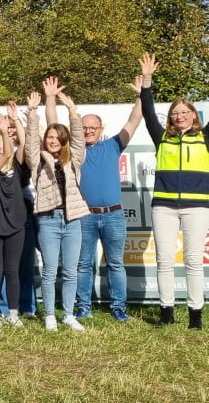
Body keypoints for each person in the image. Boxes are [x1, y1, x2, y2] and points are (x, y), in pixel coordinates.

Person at [139, 53, 209, 329]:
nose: (179, 116)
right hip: (164, 207)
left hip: (197, 206)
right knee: (164, 260)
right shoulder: (162, 137)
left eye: (184, 112)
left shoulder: (205, 138)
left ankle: (195, 316)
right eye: (175, 113)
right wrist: (147, 80)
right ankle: (166, 313)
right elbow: (146, 111)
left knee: (193, 260)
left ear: (194, 115)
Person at [75, 79, 142, 322]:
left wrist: (141, 93)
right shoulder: (74, 150)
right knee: (84, 265)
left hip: (114, 215)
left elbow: (134, 121)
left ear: (100, 128)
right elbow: (52, 123)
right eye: (84, 127)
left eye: (93, 127)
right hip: (85, 216)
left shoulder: (113, 145)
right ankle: (83, 307)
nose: (88, 130)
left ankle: (118, 308)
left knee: (115, 264)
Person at [26, 78, 90, 332]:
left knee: (71, 271)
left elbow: (78, 139)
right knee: (51, 270)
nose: (52, 140)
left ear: (63, 140)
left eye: (56, 137)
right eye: (49, 136)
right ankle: (50, 315)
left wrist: (73, 111)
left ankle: (69, 315)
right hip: (48, 221)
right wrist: (32, 113)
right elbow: (31, 141)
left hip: (73, 219)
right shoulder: (37, 160)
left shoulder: (73, 159)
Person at [0, 108, 26, 332]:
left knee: (12, 271)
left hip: (16, 225)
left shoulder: (18, 168)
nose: (0, 151)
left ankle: (13, 313)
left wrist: (13, 124)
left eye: (3, 148)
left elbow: (23, 146)